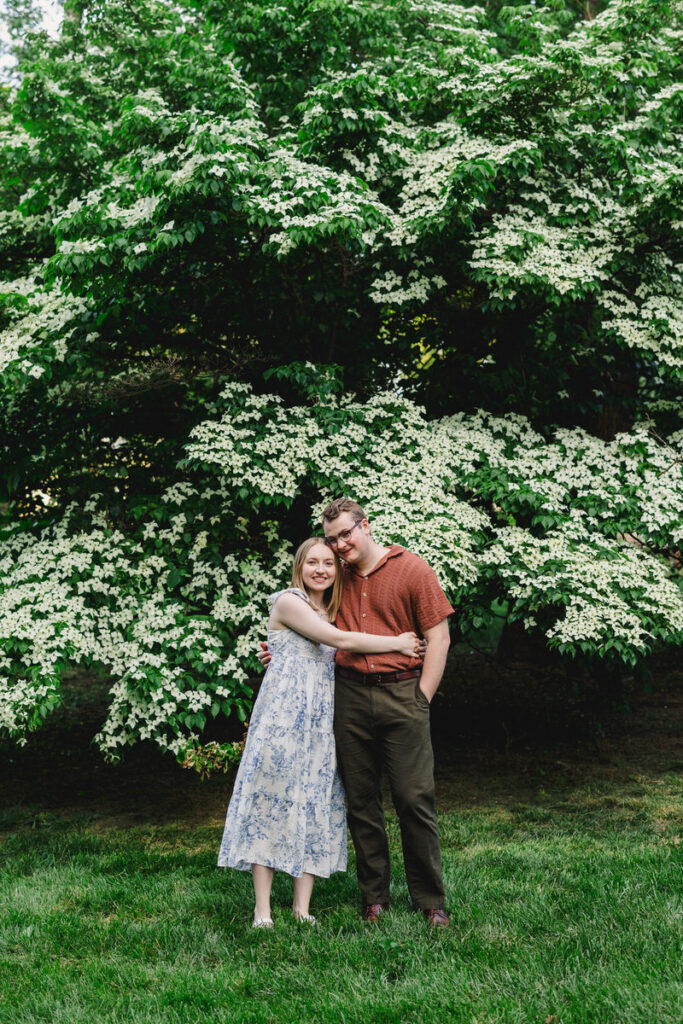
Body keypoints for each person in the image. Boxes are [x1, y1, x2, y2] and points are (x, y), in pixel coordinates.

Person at [260, 499, 454, 929]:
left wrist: (422, 697)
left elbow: (438, 636)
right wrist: (279, 653)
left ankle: (431, 900)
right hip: (346, 698)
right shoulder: (335, 575)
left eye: (346, 534)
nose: (340, 544)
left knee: (413, 799)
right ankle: (375, 898)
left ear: (365, 526)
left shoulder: (413, 570)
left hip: (402, 694)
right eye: (332, 539)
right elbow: (312, 627)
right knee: (361, 802)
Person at [218, 536, 424, 929]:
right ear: (299, 565)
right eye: (312, 562)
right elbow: (341, 641)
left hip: (319, 723)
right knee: (270, 804)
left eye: (328, 563)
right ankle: (262, 909)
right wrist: (398, 644)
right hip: (282, 719)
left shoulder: (331, 608)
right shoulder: (289, 602)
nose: (321, 570)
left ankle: (302, 908)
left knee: (312, 803)